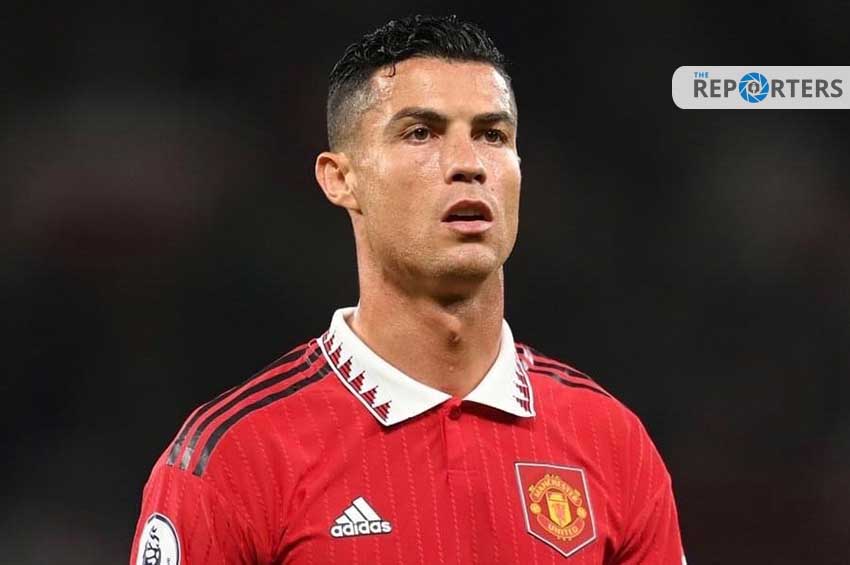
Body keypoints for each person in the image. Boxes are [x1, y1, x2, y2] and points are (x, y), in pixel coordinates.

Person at [130, 14, 685, 564]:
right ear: (340, 178)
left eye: (492, 135)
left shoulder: (612, 442)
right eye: (421, 133)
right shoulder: (236, 458)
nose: (468, 164)